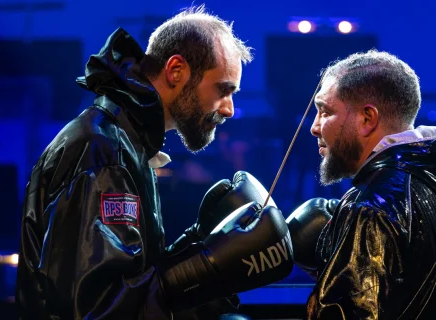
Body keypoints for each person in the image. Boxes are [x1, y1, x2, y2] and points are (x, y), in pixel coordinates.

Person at [15, 6, 294, 320]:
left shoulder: (126, 143)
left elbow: (128, 282)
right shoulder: (103, 150)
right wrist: (206, 266)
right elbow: (94, 310)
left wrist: (197, 245)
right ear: (176, 71)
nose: (229, 109)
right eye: (223, 90)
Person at [286, 50, 436, 319]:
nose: (315, 127)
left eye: (325, 111)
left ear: (367, 119)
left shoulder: (372, 207)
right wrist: (338, 263)